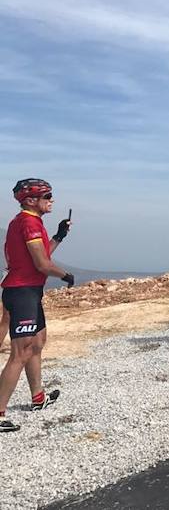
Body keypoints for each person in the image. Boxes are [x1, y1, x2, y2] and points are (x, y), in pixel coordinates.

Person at [0, 179, 73, 433]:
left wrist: (58, 236)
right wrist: (65, 275)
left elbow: (41, 255)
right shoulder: (29, 223)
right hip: (22, 292)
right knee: (20, 353)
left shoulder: (28, 222)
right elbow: (43, 265)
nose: (51, 200)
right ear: (31, 200)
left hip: (29, 291)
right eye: (47, 196)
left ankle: (38, 397)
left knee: (37, 343)